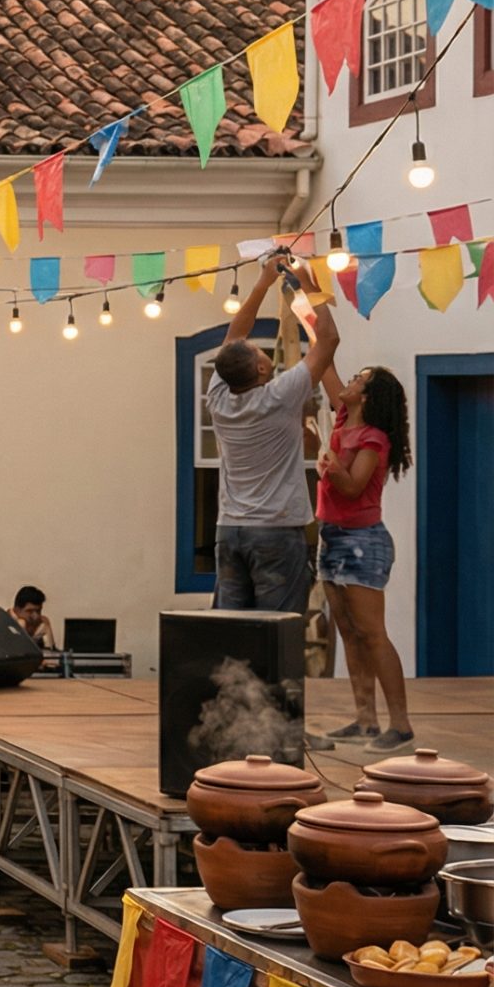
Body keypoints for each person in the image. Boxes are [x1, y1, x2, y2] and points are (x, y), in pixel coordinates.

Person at [208, 256, 339, 615]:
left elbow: (234, 338)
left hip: (230, 529)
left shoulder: (218, 398)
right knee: (277, 627)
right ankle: (275, 677)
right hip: (277, 530)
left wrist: (262, 284)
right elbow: (328, 340)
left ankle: (233, 675)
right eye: (258, 352)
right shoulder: (280, 396)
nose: (256, 348)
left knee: (233, 628)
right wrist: (309, 284)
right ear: (263, 368)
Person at [309, 364, 415, 752]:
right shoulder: (341, 419)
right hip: (332, 535)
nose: (350, 382)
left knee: (372, 633)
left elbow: (353, 487)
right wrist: (310, 305)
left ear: (367, 397)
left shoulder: (373, 438)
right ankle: (366, 720)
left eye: (359, 380)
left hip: (362, 541)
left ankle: (400, 724)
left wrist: (333, 468)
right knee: (349, 634)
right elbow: (327, 366)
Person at [10, 586, 57, 651]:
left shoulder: (42, 622)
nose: (35, 616)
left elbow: (52, 652)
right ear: (17, 610)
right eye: (30, 611)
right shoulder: (7, 620)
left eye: (38, 611)